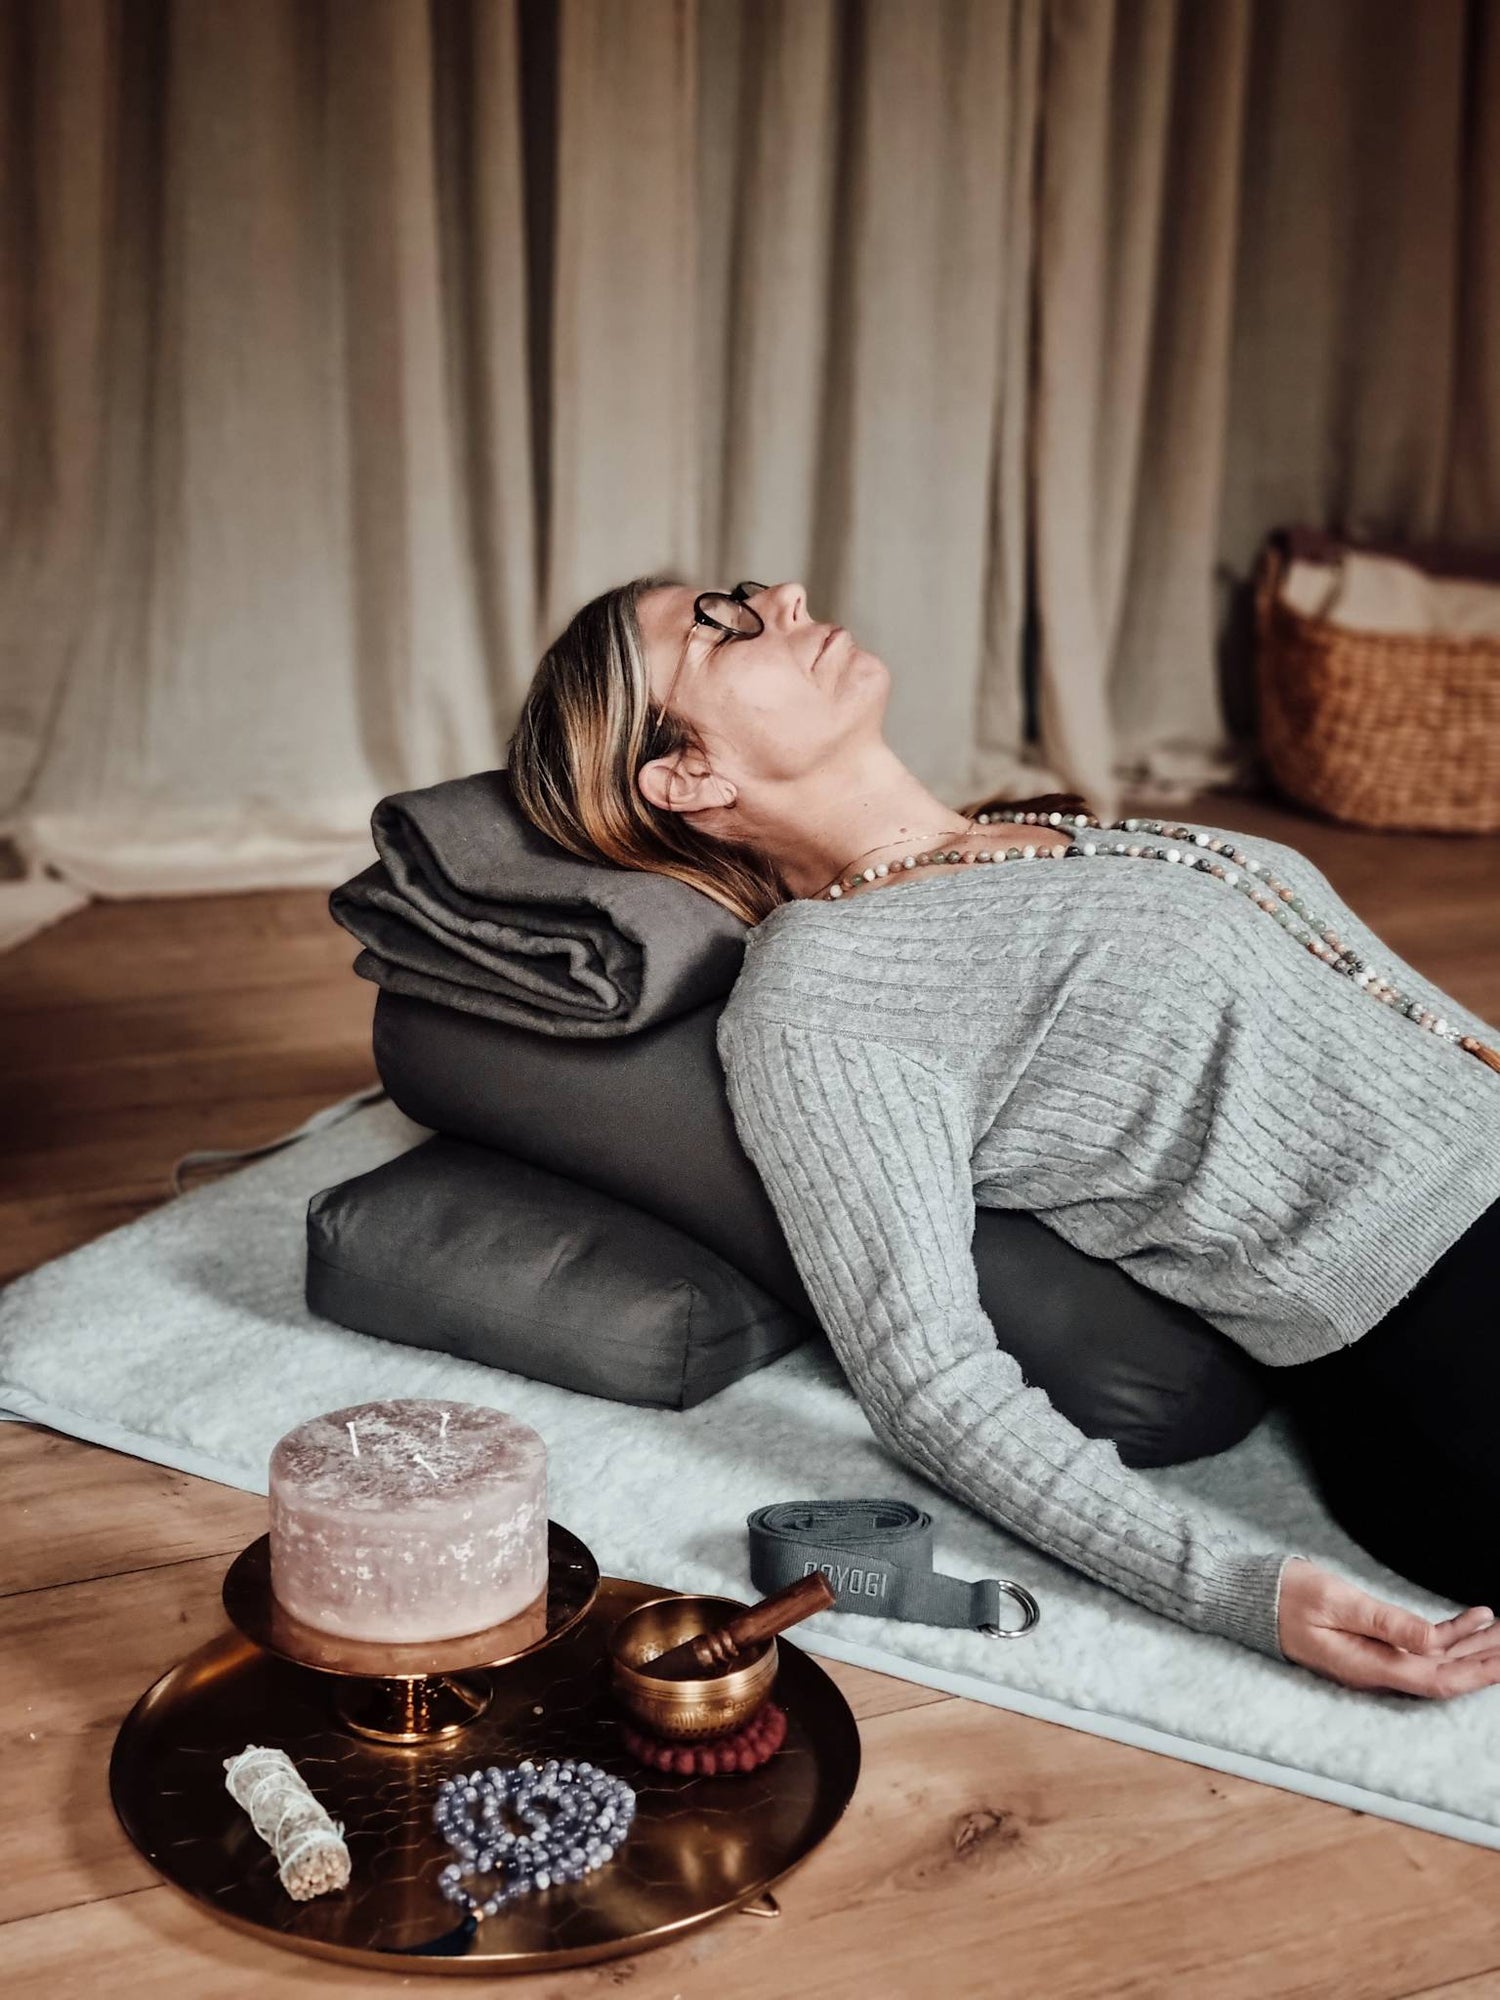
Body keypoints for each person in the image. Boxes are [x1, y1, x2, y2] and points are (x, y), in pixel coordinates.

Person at [506, 575, 1500, 1699]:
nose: (783, 593)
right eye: (718, 622)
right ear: (688, 775)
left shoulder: (1040, 833)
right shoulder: (822, 992)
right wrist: (1237, 1587)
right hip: (1449, 1324)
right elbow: (928, 1378)